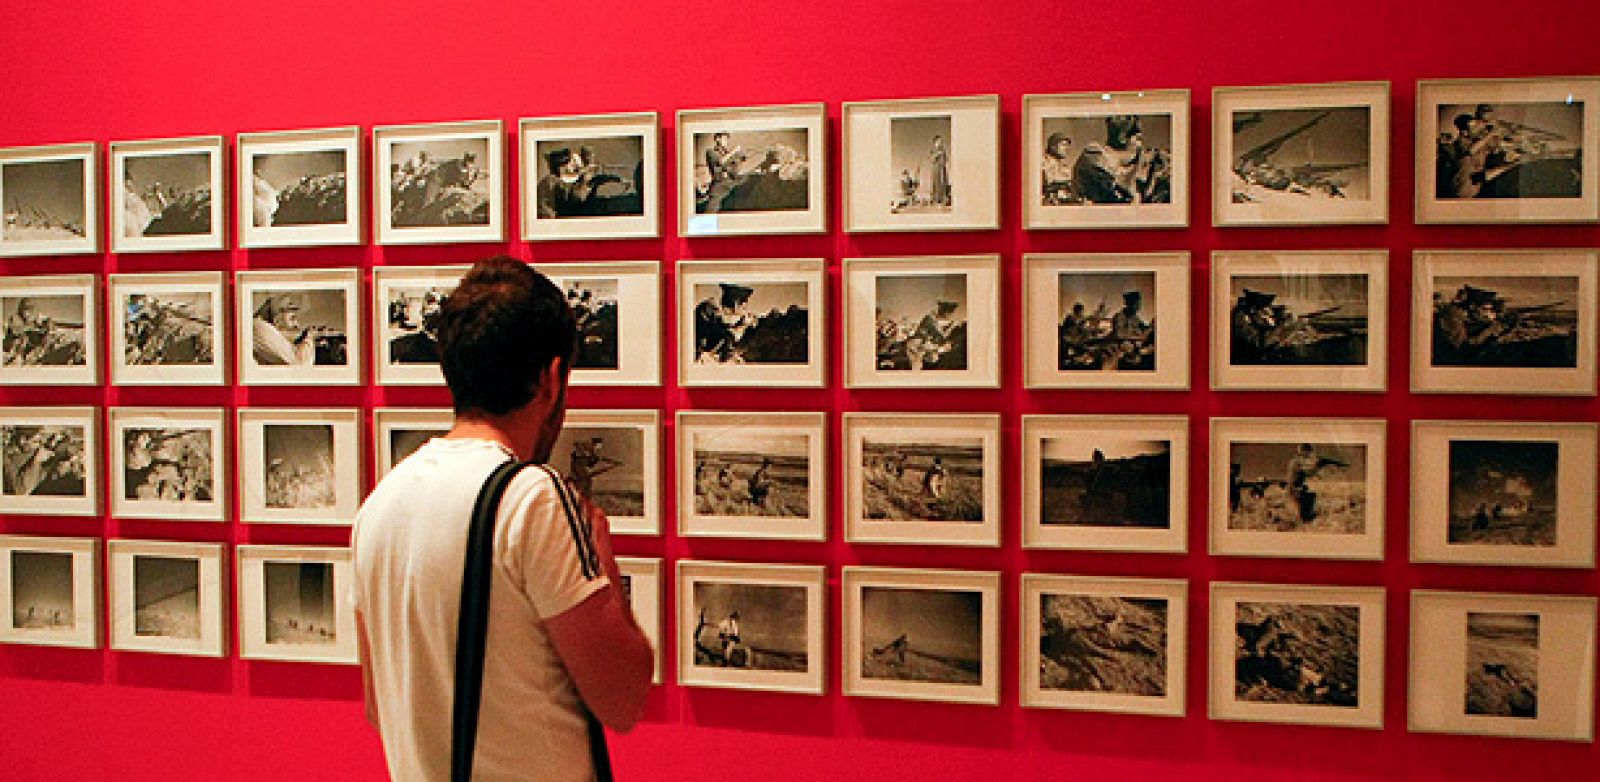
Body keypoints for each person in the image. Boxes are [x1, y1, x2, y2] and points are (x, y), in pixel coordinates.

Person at [351, 256, 652, 781]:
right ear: (551, 378)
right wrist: (605, 568)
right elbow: (622, 696)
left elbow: (380, 704)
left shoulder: (381, 503)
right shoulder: (532, 498)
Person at [1041, 132, 1075, 204]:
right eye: (1063, 145)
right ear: (1053, 146)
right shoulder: (1043, 163)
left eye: (1067, 146)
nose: (1066, 148)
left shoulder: (1064, 167)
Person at [927, 135, 951, 207]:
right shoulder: (933, 150)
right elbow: (931, 159)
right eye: (939, 141)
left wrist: (944, 161)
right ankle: (935, 199)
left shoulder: (943, 149)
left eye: (941, 141)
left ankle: (944, 199)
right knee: (936, 183)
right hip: (935, 169)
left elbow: (946, 159)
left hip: (942, 169)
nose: (940, 142)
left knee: (943, 183)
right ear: (935, 142)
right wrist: (937, 154)